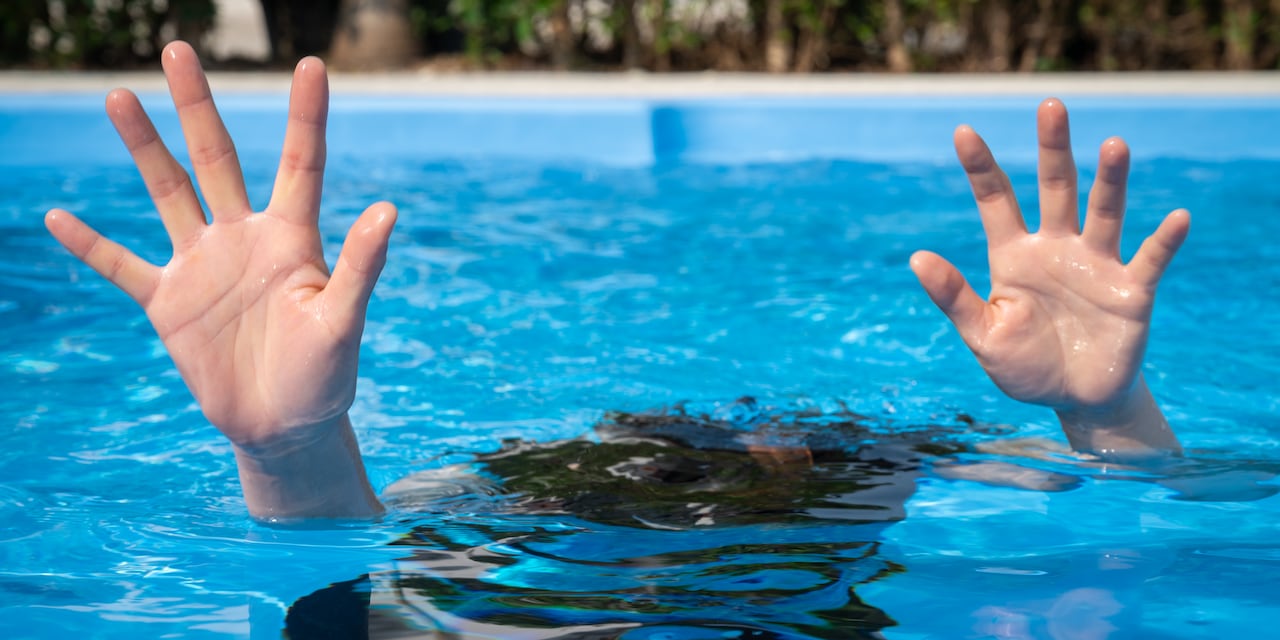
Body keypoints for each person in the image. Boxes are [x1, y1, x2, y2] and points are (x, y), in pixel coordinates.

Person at [44, 41, 1190, 521]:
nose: (753, 442)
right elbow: (352, 547)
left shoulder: (877, 461)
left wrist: (1102, 407)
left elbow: (1162, 504)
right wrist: (286, 449)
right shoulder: (545, 479)